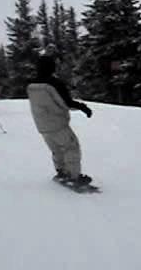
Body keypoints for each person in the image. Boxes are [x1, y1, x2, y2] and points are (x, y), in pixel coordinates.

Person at [26, 54, 93, 186]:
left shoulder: (31, 84)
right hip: (57, 124)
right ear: (52, 68)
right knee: (71, 147)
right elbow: (66, 103)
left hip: (42, 125)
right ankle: (74, 177)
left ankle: (61, 172)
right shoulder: (55, 84)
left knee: (57, 149)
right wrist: (83, 108)